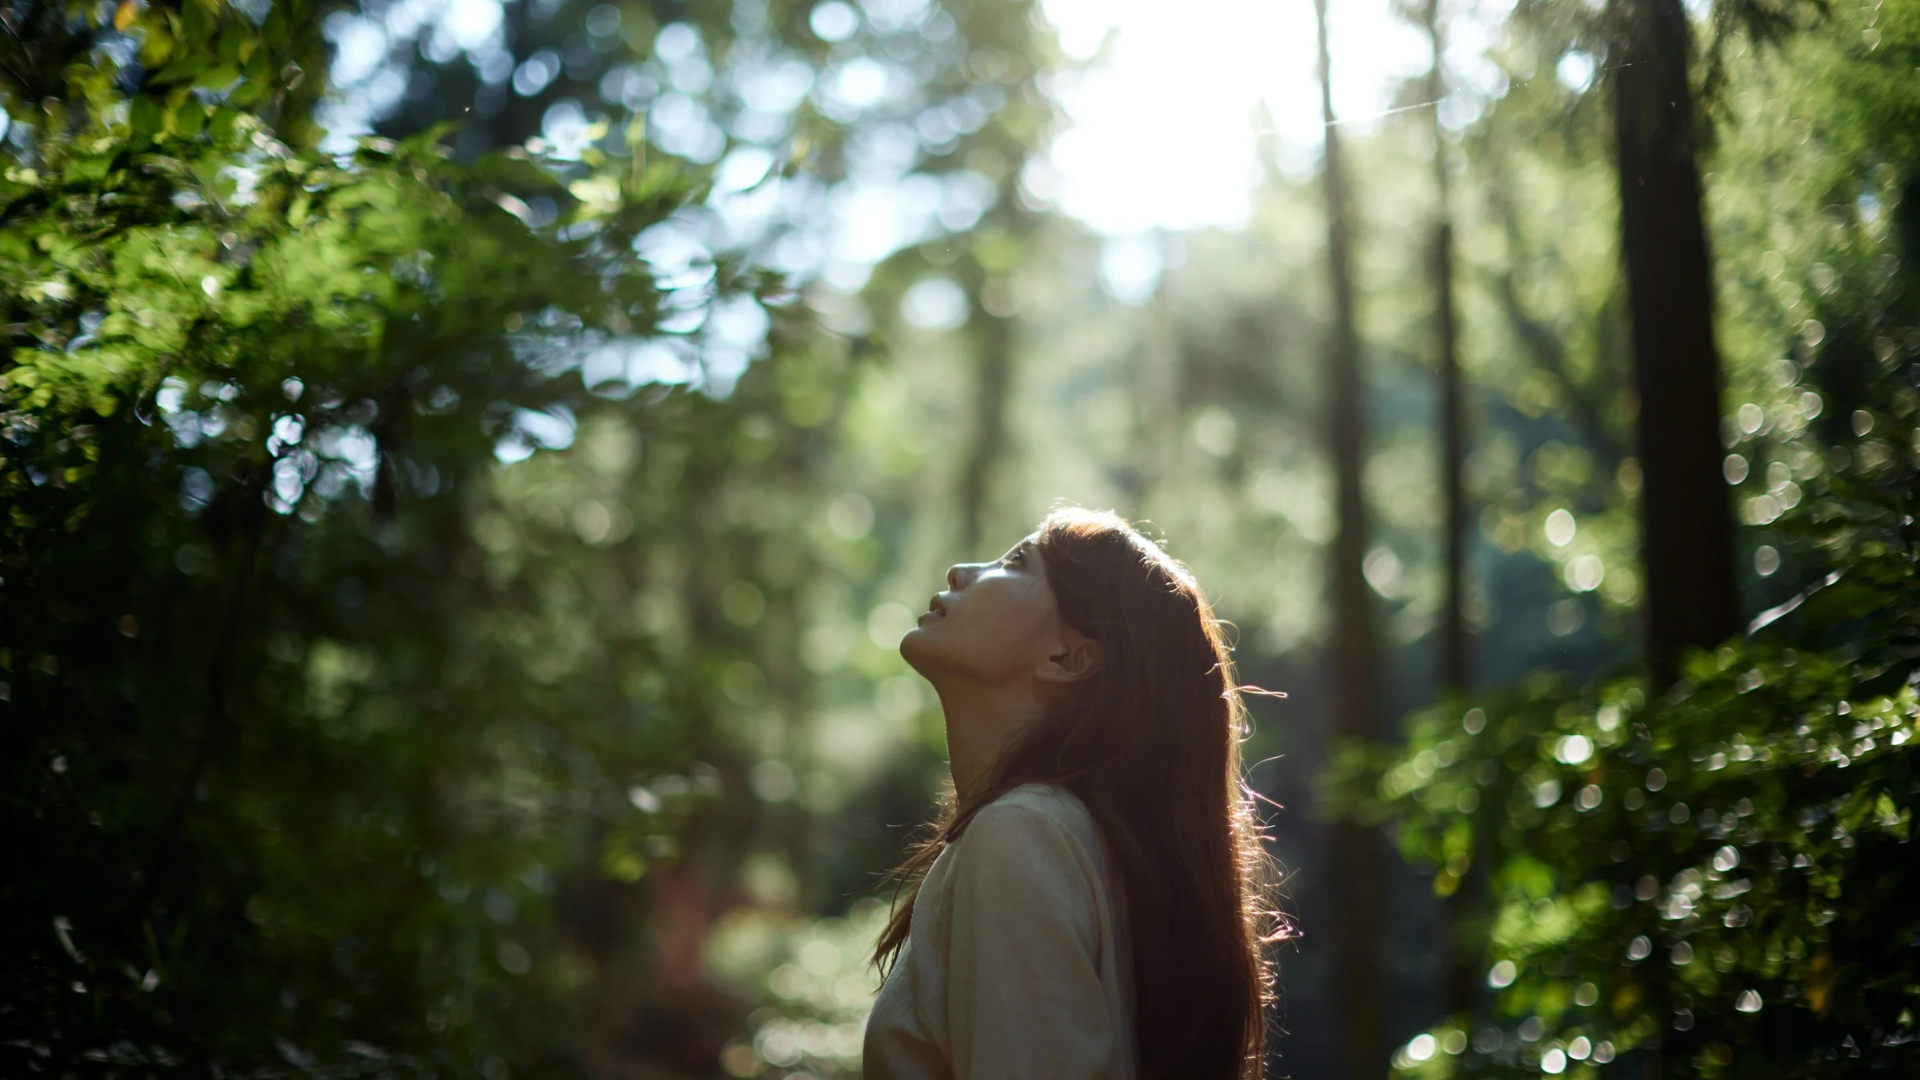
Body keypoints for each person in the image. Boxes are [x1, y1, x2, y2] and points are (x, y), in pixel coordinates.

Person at [862, 507, 1276, 1080]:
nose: (960, 572)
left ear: (1068, 658)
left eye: (1015, 562)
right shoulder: (1066, 840)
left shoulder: (1020, 834)